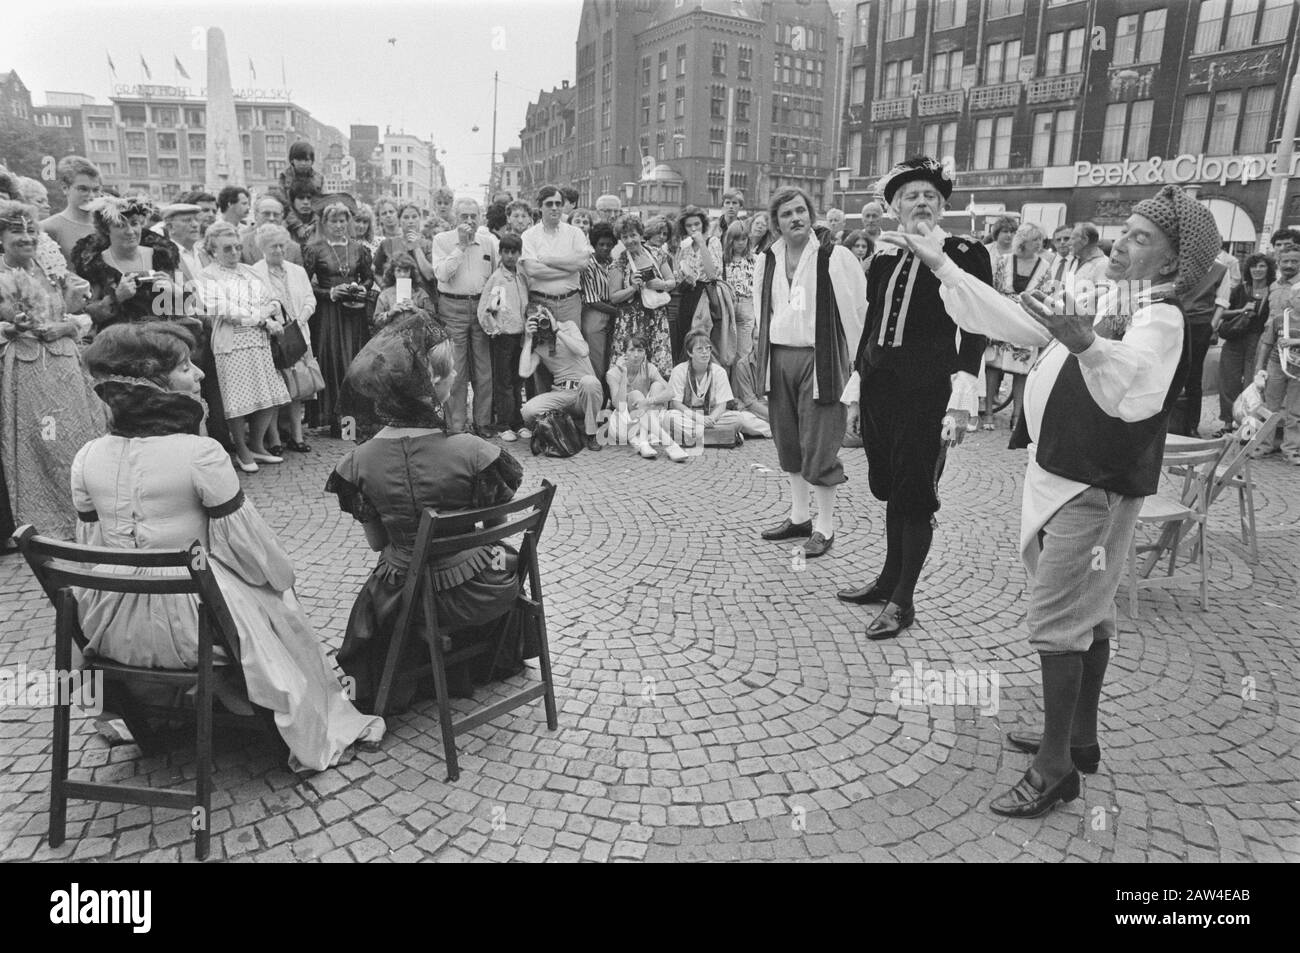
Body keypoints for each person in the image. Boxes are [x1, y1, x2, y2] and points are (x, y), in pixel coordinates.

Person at [894, 184, 1220, 817]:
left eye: (1141, 237)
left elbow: (1137, 391)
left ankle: (1055, 767)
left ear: (1175, 260)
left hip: (1091, 482)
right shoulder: (1112, 296)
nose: (1121, 243)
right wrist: (943, 264)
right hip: (1066, 473)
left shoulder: (1162, 316)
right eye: (1124, 231)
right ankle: (1076, 737)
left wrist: (1086, 344)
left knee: (1057, 619)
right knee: (1087, 616)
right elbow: (1021, 321)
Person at [74, 322, 383, 771]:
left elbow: (94, 550)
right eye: (184, 367)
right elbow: (254, 552)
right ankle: (295, 711)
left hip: (110, 631)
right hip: (193, 630)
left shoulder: (86, 457)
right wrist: (281, 584)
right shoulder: (201, 453)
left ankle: (171, 706)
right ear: (153, 384)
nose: (199, 374)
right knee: (279, 602)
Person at [325, 315, 530, 711]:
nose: (456, 376)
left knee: (387, 574)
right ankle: (477, 660)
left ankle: (403, 673)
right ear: (431, 385)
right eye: (450, 370)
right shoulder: (474, 451)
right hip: (479, 593)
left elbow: (376, 543)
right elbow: (492, 530)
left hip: (403, 599)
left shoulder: (358, 462)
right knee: (498, 554)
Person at [839, 157, 987, 638]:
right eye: (910, 196)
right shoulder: (884, 255)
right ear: (894, 207)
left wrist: (962, 394)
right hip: (881, 388)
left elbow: (976, 325)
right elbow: (869, 329)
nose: (920, 202)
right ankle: (887, 580)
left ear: (942, 205)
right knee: (890, 487)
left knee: (916, 494)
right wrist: (858, 390)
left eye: (929, 195)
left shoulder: (964, 252)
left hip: (929, 391)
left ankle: (903, 601)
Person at [753, 186, 867, 560]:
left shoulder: (835, 258)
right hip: (780, 357)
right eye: (786, 214)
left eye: (801, 211)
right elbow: (762, 314)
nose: (795, 218)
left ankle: (825, 527)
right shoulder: (766, 260)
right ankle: (800, 517)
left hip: (820, 360)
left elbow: (856, 315)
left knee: (819, 444)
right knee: (789, 441)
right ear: (776, 223)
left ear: (812, 215)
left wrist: (858, 372)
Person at [0, 199, 105, 541]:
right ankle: (51, 522)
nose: (26, 238)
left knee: (77, 438)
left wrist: (67, 327)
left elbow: (85, 313)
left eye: (31, 230)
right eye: (17, 231)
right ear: (1, 237)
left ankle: (88, 514)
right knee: (45, 440)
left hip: (65, 368)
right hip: (28, 372)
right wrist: (9, 329)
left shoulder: (51, 267)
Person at [200, 222, 290, 473]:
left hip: (259, 341)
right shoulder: (208, 275)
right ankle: (241, 450)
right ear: (213, 250)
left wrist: (267, 314)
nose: (233, 253)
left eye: (237, 247)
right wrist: (261, 318)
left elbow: (272, 299)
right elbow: (222, 308)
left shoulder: (250, 271)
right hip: (232, 344)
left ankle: (257, 446)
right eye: (227, 248)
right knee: (237, 401)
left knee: (269, 397)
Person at [302, 201, 375, 433]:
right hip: (329, 315)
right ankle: (336, 423)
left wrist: (362, 287)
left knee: (354, 363)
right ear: (325, 223)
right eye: (333, 221)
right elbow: (303, 285)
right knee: (333, 362)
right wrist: (330, 292)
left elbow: (369, 278)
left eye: (343, 220)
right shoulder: (315, 249)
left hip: (354, 314)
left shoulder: (360, 249)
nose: (339, 225)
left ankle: (353, 423)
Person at [431, 197, 498, 435]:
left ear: (480, 217)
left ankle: (483, 423)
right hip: (453, 306)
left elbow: (496, 278)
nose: (469, 221)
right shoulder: (442, 240)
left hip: (481, 307)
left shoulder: (489, 242)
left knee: (483, 369)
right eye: (463, 217)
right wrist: (460, 246)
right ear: (454, 217)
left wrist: (494, 309)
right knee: (455, 369)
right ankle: (456, 424)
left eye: (473, 216)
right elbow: (441, 274)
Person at [252, 223, 318, 455]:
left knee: (297, 387)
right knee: (275, 390)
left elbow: (310, 299)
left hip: (299, 335)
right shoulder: (254, 273)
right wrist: (274, 322)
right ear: (263, 248)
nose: (279, 250)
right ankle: (275, 439)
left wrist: (301, 318)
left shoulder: (297, 270)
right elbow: (254, 305)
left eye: (282, 245)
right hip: (272, 338)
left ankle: (297, 436)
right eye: (273, 247)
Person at [983, 222, 1053, 434]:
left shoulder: (1044, 266)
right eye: (1035, 239)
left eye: (1041, 239)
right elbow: (993, 289)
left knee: (1022, 370)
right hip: (1003, 317)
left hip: (1027, 321)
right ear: (1023, 241)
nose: (1040, 244)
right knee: (993, 366)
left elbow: (1045, 294)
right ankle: (987, 412)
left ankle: (1017, 415)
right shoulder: (1004, 261)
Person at [72, 195, 180, 329]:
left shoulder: (162, 258)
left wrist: (175, 290)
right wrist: (116, 297)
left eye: (134, 224)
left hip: (161, 338)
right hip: (117, 341)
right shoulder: (94, 265)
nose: (130, 232)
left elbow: (187, 308)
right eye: (120, 225)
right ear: (106, 230)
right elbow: (85, 315)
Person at [664, 330, 771, 447]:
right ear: (690, 353)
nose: (705, 353)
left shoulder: (719, 371)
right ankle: (721, 436)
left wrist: (711, 418)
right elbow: (676, 404)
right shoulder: (679, 371)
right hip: (689, 416)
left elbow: (722, 405)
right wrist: (699, 418)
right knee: (669, 417)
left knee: (738, 418)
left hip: (712, 417)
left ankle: (691, 437)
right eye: (700, 349)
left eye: (708, 348)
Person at [519, 305, 604, 451]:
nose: (541, 322)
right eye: (535, 320)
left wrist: (557, 330)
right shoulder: (538, 344)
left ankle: (592, 433)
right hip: (562, 394)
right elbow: (524, 372)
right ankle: (564, 426)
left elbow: (583, 351)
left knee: (589, 381)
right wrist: (528, 339)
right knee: (528, 410)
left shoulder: (568, 327)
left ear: (550, 316)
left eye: (543, 317)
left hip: (584, 393)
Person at [1172, 240, 1229, 436]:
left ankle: (1191, 425)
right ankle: (1168, 421)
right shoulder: (1182, 264)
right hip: (1176, 320)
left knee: (1194, 376)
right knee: (1169, 370)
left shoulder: (1221, 269)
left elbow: (1222, 301)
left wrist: (1211, 326)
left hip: (1199, 325)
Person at [608, 216, 675, 379]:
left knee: (658, 364)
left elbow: (672, 281)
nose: (630, 240)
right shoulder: (619, 263)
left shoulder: (657, 254)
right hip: (631, 322)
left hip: (657, 318)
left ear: (640, 234)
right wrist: (632, 288)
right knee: (631, 365)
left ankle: (658, 399)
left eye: (633, 235)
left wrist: (661, 285)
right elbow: (614, 297)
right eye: (625, 237)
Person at [1214, 252, 1273, 436]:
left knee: (1251, 384)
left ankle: (1247, 426)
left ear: (1269, 269)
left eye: (1262, 266)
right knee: (1228, 382)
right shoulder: (1240, 289)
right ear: (1248, 269)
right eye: (1254, 266)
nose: (1257, 270)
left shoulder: (1273, 290)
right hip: (1234, 339)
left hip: (1258, 340)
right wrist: (1241, 310)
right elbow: (1222, 312)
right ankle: (1227, 423)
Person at [478, 231, 529, 442]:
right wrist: (494, 330)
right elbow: (487, 309)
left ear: (519, 253)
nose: (510, 256)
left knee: (518, 381)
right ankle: (504, 423)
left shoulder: (520, 276)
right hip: (504, 337)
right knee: (504, 382)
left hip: (520, 335)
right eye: (506, 252)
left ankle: (518, 422)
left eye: (514, 252)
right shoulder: (498, 279)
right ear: (500, 253)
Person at [520, 184, 591, 330]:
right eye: (549, 204)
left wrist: (549, 260)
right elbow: (533, 270)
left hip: (570, 303)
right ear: (540, 207)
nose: (554, 208)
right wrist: (570, 269)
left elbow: (583, 263)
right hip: (540, 303)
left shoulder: (575, 233)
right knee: (543, 349)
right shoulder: (528, 236)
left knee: (571, 347)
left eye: (558, 204)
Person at [1253, 247, 1300, 460]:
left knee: (1295, 411)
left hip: (1297, 366)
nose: (1289, 265)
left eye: (1295, 261)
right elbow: (1266, 339)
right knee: (1269, 406)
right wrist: (1259, 368)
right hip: (1275, 358)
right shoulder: (1274, 287)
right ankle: (1264, 445)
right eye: (1285, 261)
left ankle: (1291, 450)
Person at [605, 333, 679, 459]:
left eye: (640, 350)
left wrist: (649, 401)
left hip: (645, 420)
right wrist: (624, 375)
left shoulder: (649, 368)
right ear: (624, 353)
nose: (636, 355)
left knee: (657, 386)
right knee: (636, 395)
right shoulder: (613, 373)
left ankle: (642, 442)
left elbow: (671, 392)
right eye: (632, 350)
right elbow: (619, 405)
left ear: (645, 353)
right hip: (623, 422)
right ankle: (669, 443)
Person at [673, 205, 723, 362]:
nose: (693, 228)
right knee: (685, 339)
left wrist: (702, 244)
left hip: (705, 296)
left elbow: (712, 274)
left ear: (703, 224)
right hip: (687, 295)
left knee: (701, 340)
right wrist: (683, 278)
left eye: (697, 224)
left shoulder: (712, 242)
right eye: (689, 225)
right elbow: (677, 274)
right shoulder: (685, 247)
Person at [580, 221, 619, 396]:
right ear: (594, 244)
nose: (605, 248)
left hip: (612, 313)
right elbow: (592, 300)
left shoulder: (614, 263)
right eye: (601, 244)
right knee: (596, 361)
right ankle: (596, 398)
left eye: (609, 244)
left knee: (611, 358)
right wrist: (619, 312)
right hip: (595, 313)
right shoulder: (588, 265)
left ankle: (610, 397)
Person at [39, 156, 103, 262]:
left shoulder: (108, 225)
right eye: (83, 189)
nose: (91, 196)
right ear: (65, 188)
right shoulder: (48, 228)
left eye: (96, 190)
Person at [720, 220, 758, 390]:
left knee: (743, 352)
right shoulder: (723, 260)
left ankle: (741, 393)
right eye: (737, 239)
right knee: (727, 352)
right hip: (729, 306)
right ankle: (726, 393)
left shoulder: (754, 259)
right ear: (730, 240)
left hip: (747, 304)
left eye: (744, 239)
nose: (741, 243)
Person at [373, 202, 435, 300]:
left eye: (414, 217)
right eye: (406, 217)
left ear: (420, 219)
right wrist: (385, 288)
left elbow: (429, 275)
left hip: (423, 300)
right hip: (395, 302)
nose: (410, 221)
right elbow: (376, 272)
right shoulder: (387, 243)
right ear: (399, 220)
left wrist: (416, 247)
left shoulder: (428, 244)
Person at [373, 251, 436, 331]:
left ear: (411, 272)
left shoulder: (420, 293)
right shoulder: (385, 295)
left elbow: (432, 318)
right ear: (392, 272)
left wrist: (416, 309)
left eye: (406, 271)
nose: (402, 275)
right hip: (392, 337)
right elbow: (376, 322)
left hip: (417, 335)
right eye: (398, 271)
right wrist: (390, 313)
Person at [240, 196, 302, 266]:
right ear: (256, 215)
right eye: (266, 214)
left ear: (282, 216)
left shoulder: (294, 248)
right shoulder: (242, 243)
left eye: (276, 214)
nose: (271, 218)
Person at [285, 183, 319, 249]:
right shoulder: (284, 227)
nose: (306, 202)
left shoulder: (324, 225)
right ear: (293, 202)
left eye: (309, 198)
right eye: (301, 198)